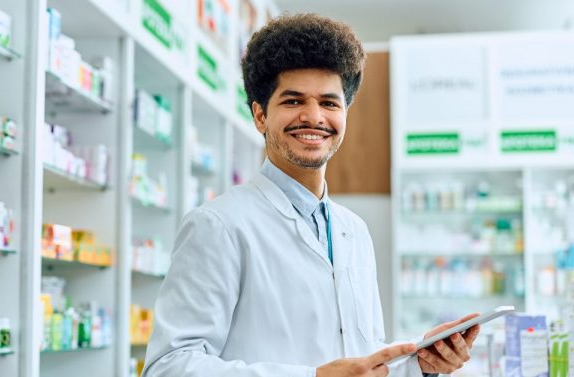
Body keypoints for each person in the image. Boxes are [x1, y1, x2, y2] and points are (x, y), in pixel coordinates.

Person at [142, 13, 480, 377]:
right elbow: (169, 367)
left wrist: (420, 363)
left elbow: (360, 360)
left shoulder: (355, 231)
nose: (313, 116)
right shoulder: (218, 226)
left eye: (330, 103)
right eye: (292, 101)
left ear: (345, 115)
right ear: (259, 116)